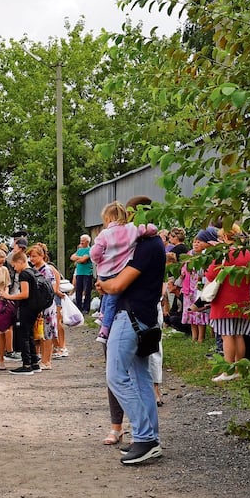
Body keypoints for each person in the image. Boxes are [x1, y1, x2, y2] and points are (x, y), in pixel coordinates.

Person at [96, 195, 165, 465]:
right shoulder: (152, 243)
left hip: (130, 317)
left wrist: (104, 284)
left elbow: (116, 285)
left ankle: (144, 437)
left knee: (115, 376)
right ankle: (151, 439)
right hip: (145, 318)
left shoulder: (146, 246)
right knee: (141, 379)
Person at [90, 201, 158, 344]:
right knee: (111, 300)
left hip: (105, 271)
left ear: (108, 218)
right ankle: (103, 317)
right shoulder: (132, 229)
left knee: (109, 298)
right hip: (121, 271)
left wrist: (98, 260)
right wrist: (152, 229)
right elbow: (150, 229)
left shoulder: (105, 233)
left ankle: (104, 328)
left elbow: (95, 252)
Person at [207, 224, 250, 381]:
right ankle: (239, 368)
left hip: (225, 301)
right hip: (243, 300)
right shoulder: (247, 253)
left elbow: (210, 275)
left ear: (226, 237)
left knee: (227, 335)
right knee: (239, 335)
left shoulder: (224, 254)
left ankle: (228, 371)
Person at [0, 250, 40, 374]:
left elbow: (24, 294)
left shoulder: (24, 274)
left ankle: (26, 365)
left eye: (14, 265)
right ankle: (34, 363)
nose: (14, 268)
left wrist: (8, 296)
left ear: (20, 261)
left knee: (24, 336)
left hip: (26, 308)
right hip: (35, 307)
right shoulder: (35, 271)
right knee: (30, 335)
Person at [70, 234, 94, 313]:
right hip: (79, 273)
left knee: (87, 291)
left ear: (87, 242)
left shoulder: (90, 250)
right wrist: (80, 258)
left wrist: (78, 259)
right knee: (78, 290)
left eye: (83, 241)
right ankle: (79, 307)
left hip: (87, 273)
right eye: (81, 240)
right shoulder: (79, 250)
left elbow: (83, 260)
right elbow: (72, 257)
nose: (81, 242)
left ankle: (86, 309)